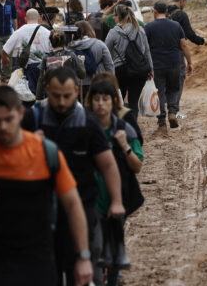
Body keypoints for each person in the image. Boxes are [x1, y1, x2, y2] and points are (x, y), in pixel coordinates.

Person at [0, 85, 94, 286]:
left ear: (21, 114)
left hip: (39, 262)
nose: (3, 127)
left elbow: (73, 204)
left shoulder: (46, 153)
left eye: (8, 119)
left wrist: (83, 257)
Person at [21, 67, 125, 286]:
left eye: (67, 96)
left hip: (82, 206)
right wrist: (30, 144)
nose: (61, 102)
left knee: (84, 273)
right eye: (55, 95)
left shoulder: (88, 122)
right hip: (42, 210)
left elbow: (107, 164)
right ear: (46, 90)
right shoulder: (33, 119)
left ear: (77, 91)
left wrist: (116, 201)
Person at [85, 77, 144, 286]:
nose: (100, 103)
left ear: (113, 102)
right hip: (90, 198)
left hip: (117, 197)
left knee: (112, 246)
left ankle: (112, 277)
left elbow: (137, 165)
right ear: (90, 101)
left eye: (105, 99)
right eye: (96, 99)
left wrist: (124, 146)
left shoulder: (123, 129)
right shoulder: (83, 127)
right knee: (95, 246)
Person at [145, 1, 193, 130]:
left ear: (154, 11)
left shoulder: (148, 27)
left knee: (159, 91)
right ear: (166, 11)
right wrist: (189, 62)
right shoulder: (176, 25)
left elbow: (145, 49)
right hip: (174, 63)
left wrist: (147, 67)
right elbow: (184, 45)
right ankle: (172, 112)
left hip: (157, 65)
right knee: (173, 89)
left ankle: (161, 120)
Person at [104, 4, 153, 120]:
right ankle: (133, 126)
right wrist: (151, 69)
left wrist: (107, 70)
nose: (113, 18)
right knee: (133, 101)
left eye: (114, 15)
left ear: (117, 16)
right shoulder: (140, 30)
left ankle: (121, 125)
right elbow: (147, 51)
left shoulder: (113, 32)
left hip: (120, 70)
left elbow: (106, 51)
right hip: (139, 69)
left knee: (119, 101)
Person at [167, 0, 207, 117]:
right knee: (179, 79)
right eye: (185, 1)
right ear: (181, 1)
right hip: (176, 53)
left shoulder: (165, 12)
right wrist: (202, 41)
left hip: (161, 54)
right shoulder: (181, 15)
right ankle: (175, 111)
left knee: (165, 82)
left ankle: (164, 112)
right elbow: (189, 34)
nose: (185, 4)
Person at [2, 8, 52, 96]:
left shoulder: (19, 32)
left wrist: (4, 59)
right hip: (44, 69)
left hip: (28, 70)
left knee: (29, 95)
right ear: (39, 18)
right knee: (43, 95)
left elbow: (5, 49)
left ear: (25, 18)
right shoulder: (47, 33)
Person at [36, 29, 86, 100]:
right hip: (69, 94)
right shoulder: (71, 55)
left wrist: (37, 98)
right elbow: (82, 75)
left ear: (51, 41)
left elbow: (41, 80)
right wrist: (81, 62)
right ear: (64, 41)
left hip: (53, 95)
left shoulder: (46, 57)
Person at [69, 21, 115, 97]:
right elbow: (109, 65)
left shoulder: (70, 47)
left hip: (77, 84)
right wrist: (111, 82)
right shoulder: (99, 44)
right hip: (98, 82)